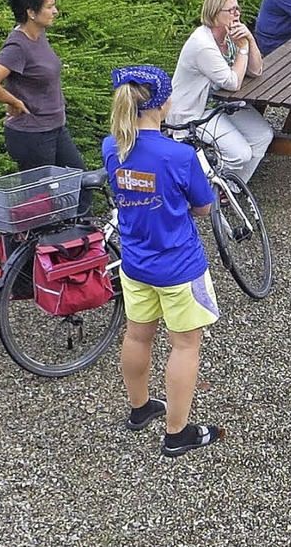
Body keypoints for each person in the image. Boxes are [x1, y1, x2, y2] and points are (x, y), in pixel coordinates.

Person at [102, 65, 224, 458]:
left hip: (136, 263)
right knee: (185, 346)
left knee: (138, 335)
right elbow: (204, 207)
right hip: (178, 265)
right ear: (161, 103)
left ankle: (140, 409)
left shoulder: (112, 147)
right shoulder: (180, 155)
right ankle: (177, 433)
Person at [0, 0, 88, 206]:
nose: (55, 11)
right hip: (31, 134)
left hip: (55, 128)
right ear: (31, 12)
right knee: (39, 203)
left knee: (82, 183)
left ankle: (82, 239)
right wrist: (14, 102)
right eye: (49, 7)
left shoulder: (38, 35)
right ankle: (37, 242)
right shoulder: (18, 45)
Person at [168, 0, 272, 184]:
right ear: (215, 14)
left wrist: (249, 40)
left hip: (221, 103)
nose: (237, 14)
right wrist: (242, 48)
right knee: (240, 153)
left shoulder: (230, 37)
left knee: (262, 135)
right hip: (195, 110)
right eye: (231, 10)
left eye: (237, 9)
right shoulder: (203, 45)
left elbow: (256, 71)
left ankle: (232, 188)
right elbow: (233, 83)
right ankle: (205, 189)